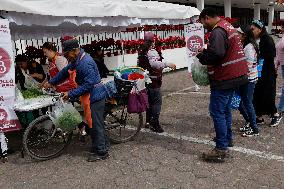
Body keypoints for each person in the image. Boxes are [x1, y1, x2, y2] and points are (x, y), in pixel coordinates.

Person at [44, 39, 109, 162]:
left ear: (74, 51)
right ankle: (99, 146)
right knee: (92, 123)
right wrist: (51, 81)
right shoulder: (77, 59)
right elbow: (64, 72)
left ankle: (102, 152)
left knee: (96, 125)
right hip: (90, 95)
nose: (66, 57)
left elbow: (88, 85)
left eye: (67, 54)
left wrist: (70, 93)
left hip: (95, 95)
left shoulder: (85, 62)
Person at [196, 8, 249, 162]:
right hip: (237, 76)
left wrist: (201, 56)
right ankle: (227, 139)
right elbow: (223, 50)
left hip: (225, 78)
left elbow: (217, 54)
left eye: (202, 22)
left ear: (207, 18)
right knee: (225, 109)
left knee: (217, 111)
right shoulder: (228, 26)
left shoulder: (218, 31)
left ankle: (221, 149)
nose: (203, 25)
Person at [138, 32, 176, 133]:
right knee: (157, 102)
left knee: (150, 101)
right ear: (152, 40)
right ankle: (155, 123)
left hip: (146, 79)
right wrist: (167, 64)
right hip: (154, 80)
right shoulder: (151, 51)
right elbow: (154, 64)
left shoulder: (142, 50)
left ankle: (148, 121)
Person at [251, 20, 282, 127]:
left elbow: (270, 56)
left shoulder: (267, 40)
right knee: (257, 94)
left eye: (253, 29)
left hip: (267, 72)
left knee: (267, 95)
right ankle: (259, 117)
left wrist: (258, 56)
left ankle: (275, 115)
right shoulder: (257, 39)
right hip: (259, 72)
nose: (252, 31)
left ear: (260, 29)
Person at [236, 25, 259, 137]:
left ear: (244, 35)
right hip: (247, 79)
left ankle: (255, 129)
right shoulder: (247, 45)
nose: (237, 35)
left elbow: (248, 67)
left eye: (239, 33)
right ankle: (250, 122)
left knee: (247, 103)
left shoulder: (249, 48)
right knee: (240, 103)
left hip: (248, 80)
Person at [275, 24, 284, 116]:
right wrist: (276, 64)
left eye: (282, 27)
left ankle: (281, 107)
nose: (281, 29)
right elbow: (279, 53)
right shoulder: (282, 37)